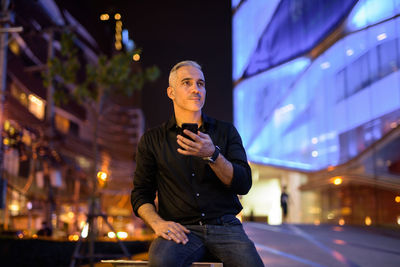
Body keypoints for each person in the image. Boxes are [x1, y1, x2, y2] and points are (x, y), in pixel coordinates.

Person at [131, 60, 264, 267]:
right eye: (187, 83)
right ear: (171, 92)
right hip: (180, 228)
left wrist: (213, 155)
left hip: (225, 227)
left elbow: (243, 184)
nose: (196, 89)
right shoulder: (152, 140)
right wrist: (158, 224)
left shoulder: (226, 132)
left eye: (200, 84)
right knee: (161, 261)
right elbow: (141, 193)